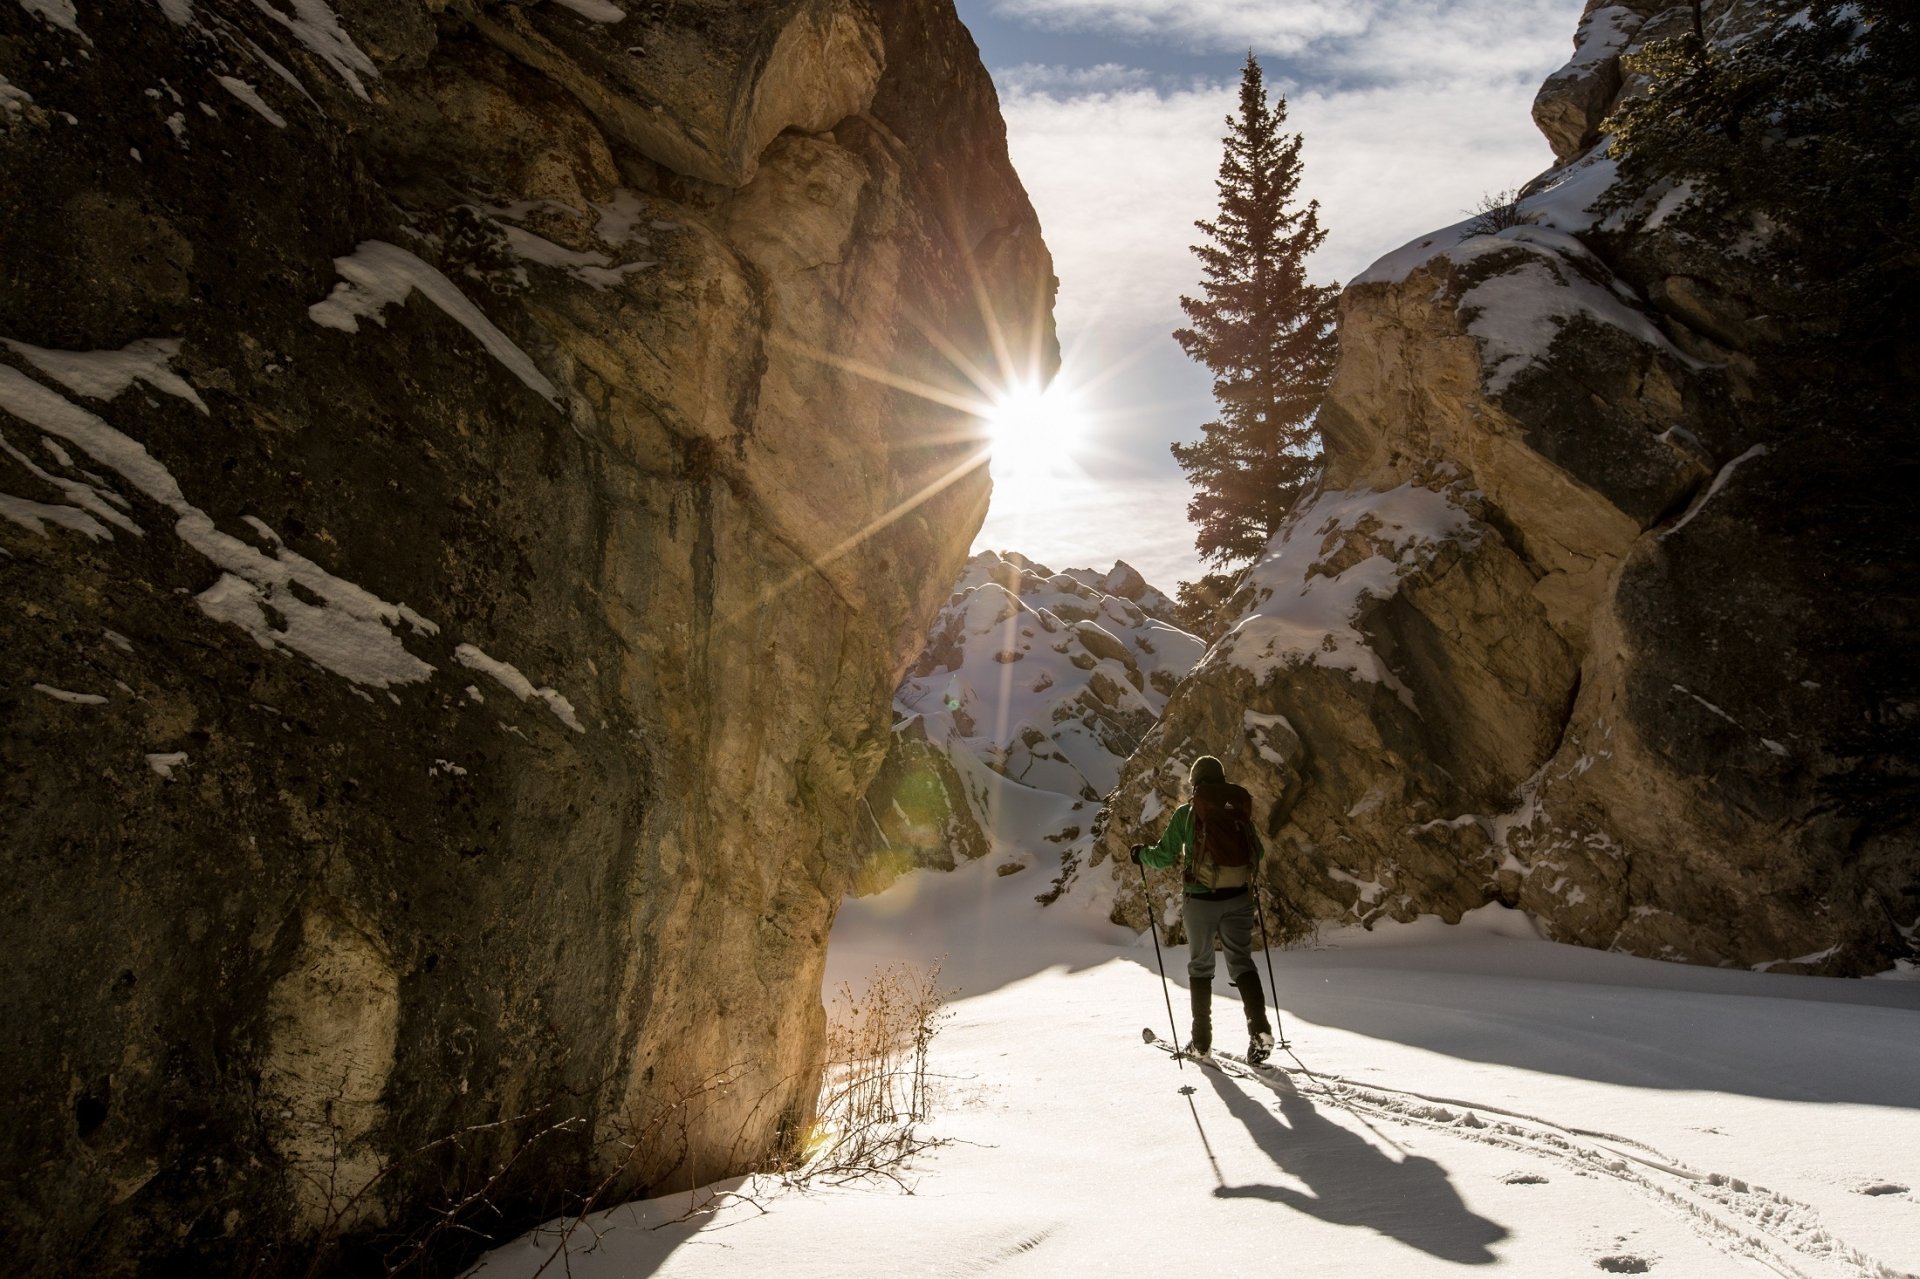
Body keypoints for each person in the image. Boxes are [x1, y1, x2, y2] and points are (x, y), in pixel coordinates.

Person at [1132, 755, 1276, 1064]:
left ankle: (1201, 1043)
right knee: (1241, 963)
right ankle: (1260, 1028)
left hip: (1200, 901)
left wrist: (1140, 854)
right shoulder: (1237, 811)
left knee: (1201, 967)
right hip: (1238, 896)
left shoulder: (1187, 813)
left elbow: (1164, 856)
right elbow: (1258, 851)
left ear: (1196, 783)